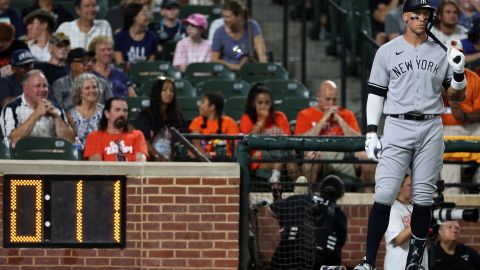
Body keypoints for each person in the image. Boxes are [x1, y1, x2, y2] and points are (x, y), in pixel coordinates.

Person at [355, 0, 467, 269]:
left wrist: (460, 72)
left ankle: (415, 261)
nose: (422, 18)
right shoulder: (387, 51)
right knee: (384, 194)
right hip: (397, 124)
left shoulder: (441, 50)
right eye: (417, 14)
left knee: (423, 197)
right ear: (405, 16)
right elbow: (376, 92)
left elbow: (456, 97)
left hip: (431, 124)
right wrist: (371, 130)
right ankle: (368, 261)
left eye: (426, 14)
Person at [269, 174, 347, 270]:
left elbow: (273, 211)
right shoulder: (339, 214)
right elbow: (341, 241)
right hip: (321, 263)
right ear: (340, 194)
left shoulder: (300, 198)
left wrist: (278, 198)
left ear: (321, 188)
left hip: (288, 260)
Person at [294, 80, 364, 185]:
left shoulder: (346, 114)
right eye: (328, 99)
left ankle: (370, 198)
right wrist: (323, 119)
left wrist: (340, 120)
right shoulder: (305, 114)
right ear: (318, 96)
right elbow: (300, 142)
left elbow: (359, 141)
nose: (331, 103)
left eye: (334, 99)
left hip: (344, 156)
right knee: (311, 156)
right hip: (320, 155)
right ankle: (308, 197)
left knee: (367, 158)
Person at [239, 83, 300, 193]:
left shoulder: (280, 117)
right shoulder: (247, 118)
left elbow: (288, 142)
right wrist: (261, 120)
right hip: (260, 159)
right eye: (260, 103)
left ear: (271, 103)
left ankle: (299, 190)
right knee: (288, 159)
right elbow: (247, 141)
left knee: (289, 157)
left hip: (279, 154)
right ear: (253, 103)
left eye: (267, 103)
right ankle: (294, 184)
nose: (264, 106)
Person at [0, 69, 74, 147]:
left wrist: (56, 117)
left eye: (45, 86)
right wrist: (36, 114)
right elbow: (12, 139)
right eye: (37, 86)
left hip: (51, 156)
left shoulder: (57, 109)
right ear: (25, 89)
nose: (42, 90)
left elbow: (71, 142)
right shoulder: (11, 108)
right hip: (22, 157)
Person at [134, 77, 185, 161]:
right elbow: (144, 141)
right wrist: (158, 157)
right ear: (157, 92)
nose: (169, 93)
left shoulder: (178, 116)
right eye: (164, 90)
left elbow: (182, 140)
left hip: (174, 159)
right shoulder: (145, 115)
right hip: (151, 160)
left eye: (171, 90)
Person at [384, 174, 428, 270]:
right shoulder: (392, 208)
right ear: (399, 187)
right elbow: (398, 239)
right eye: (409, 185)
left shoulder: (416, 208)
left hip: (419, 264)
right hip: (398, 265)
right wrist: (419, 221)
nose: (414, 188)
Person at [83, 96, 148, 161]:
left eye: (125, 110)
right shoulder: (94, 137)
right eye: (117, 110)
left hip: (132, 171)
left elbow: (141, 165)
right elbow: (97, 167)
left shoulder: (137, 135)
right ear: (107, 114)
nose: (122, 114)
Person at [211, 0, 267, 71]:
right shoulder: (219, 32)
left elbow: (261, 53)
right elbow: (214, 59)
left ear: (239, 16)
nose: (225, 20)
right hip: (228, 72)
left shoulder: (252, 26)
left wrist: (263, 70)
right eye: (224, 17)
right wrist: (235, 66)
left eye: (228, 17)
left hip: (250, 71)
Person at [188, 92, 239, 159]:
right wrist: (203, 155)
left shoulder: (229, 122)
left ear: (212, 107)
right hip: (202, 160)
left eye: (203, 102)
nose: (200, 105)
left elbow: (235, 146)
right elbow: (195, 139)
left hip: (224, 161)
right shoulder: (197, 121)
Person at [67, 73, 103, 148]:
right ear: (79, 92)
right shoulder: (71, 114)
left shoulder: (105, 112)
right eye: (87, 88)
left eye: (94, 87)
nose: (92, 91)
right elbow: (71, 139)